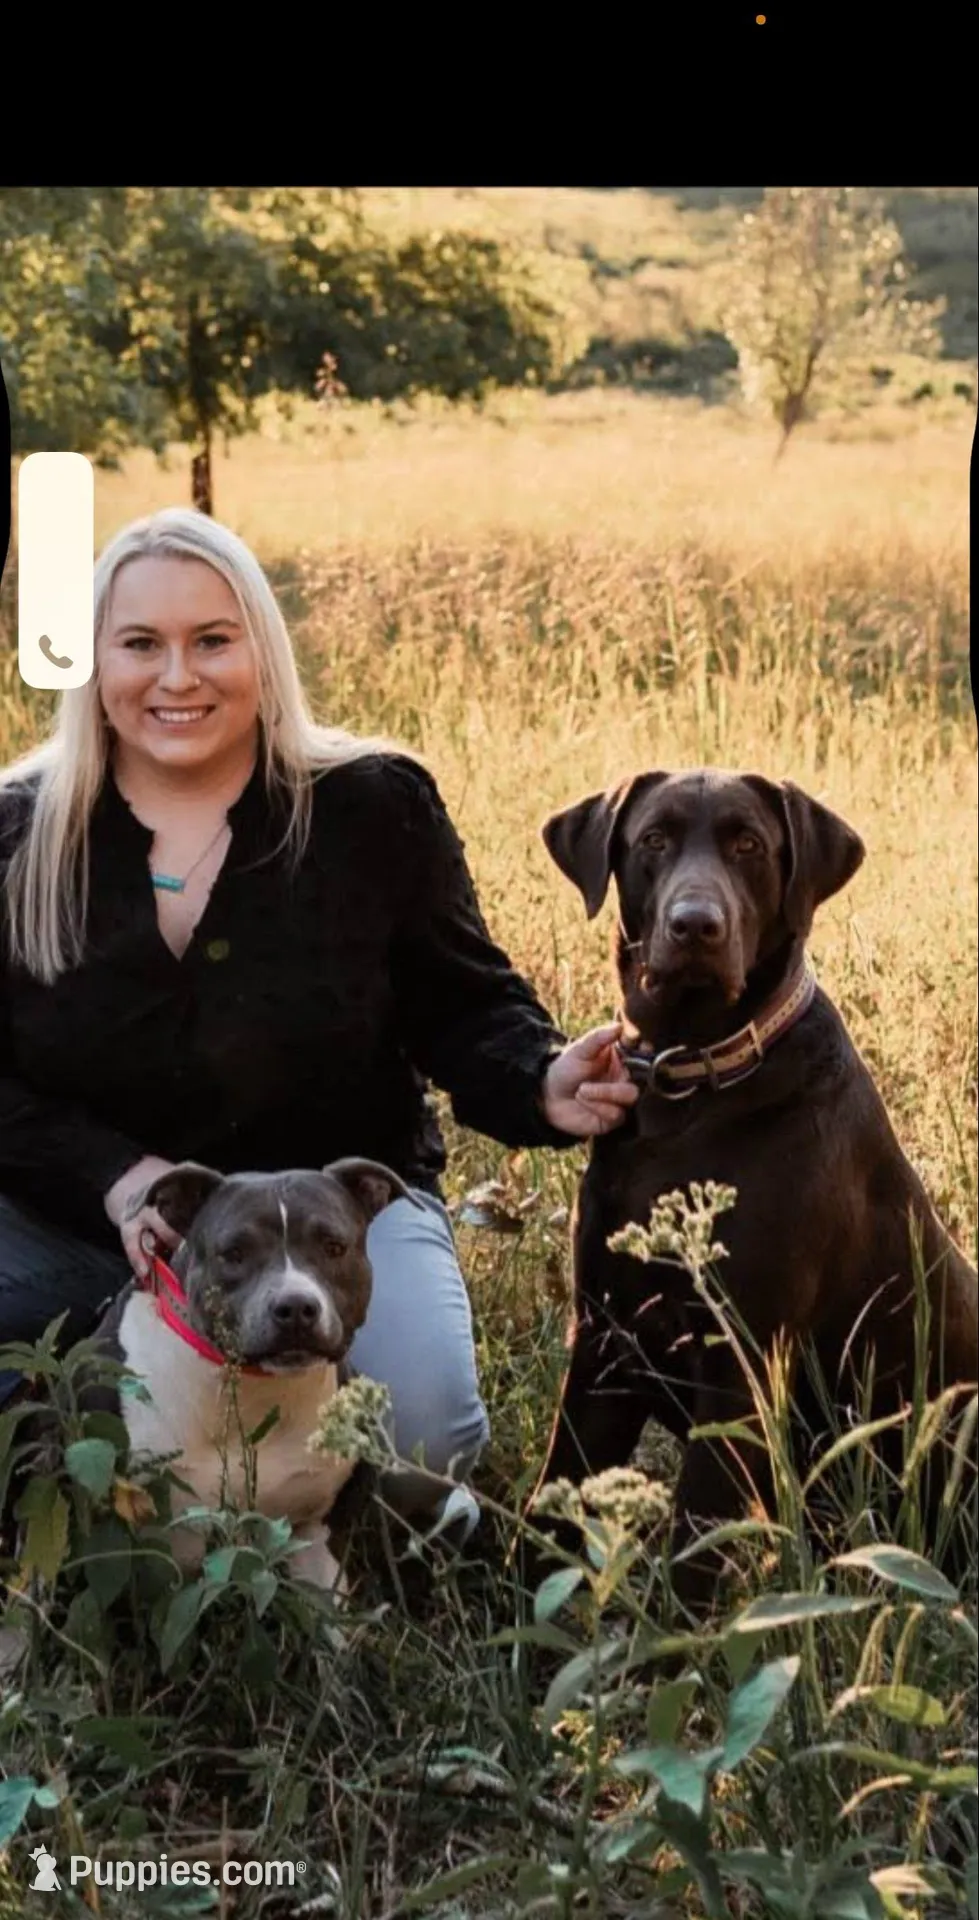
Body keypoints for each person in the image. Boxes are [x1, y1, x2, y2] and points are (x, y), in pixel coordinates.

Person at [0, 507, 638, 1540]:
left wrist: (537, 1078)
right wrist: (113, 1177)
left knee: (418, 1436)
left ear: (262, 646)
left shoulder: (370, 806)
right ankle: (79, 1487)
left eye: (213, 639)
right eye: (140, 644)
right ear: (93, 662)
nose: (177, 676)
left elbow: (463, 1000)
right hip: (81, 1222)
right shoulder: (18, 832)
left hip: (330, 1226)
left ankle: (312, 1527)